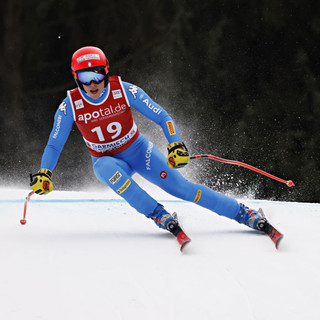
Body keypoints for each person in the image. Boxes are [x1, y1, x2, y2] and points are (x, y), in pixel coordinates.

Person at [30, 46, 272, 249]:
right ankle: (157, 213)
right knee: (105, 169)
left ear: (106, 72)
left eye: (96, 75)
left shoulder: (124, 90)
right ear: (76, 78)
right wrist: (45, 173)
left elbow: (162, 116)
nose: (93, 83)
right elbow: (54, 142)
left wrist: (175, 143)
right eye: (85, 78)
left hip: (138, 151)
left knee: (183, 189)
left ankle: (243, 213)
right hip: (107, 159)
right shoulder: (69, 105)